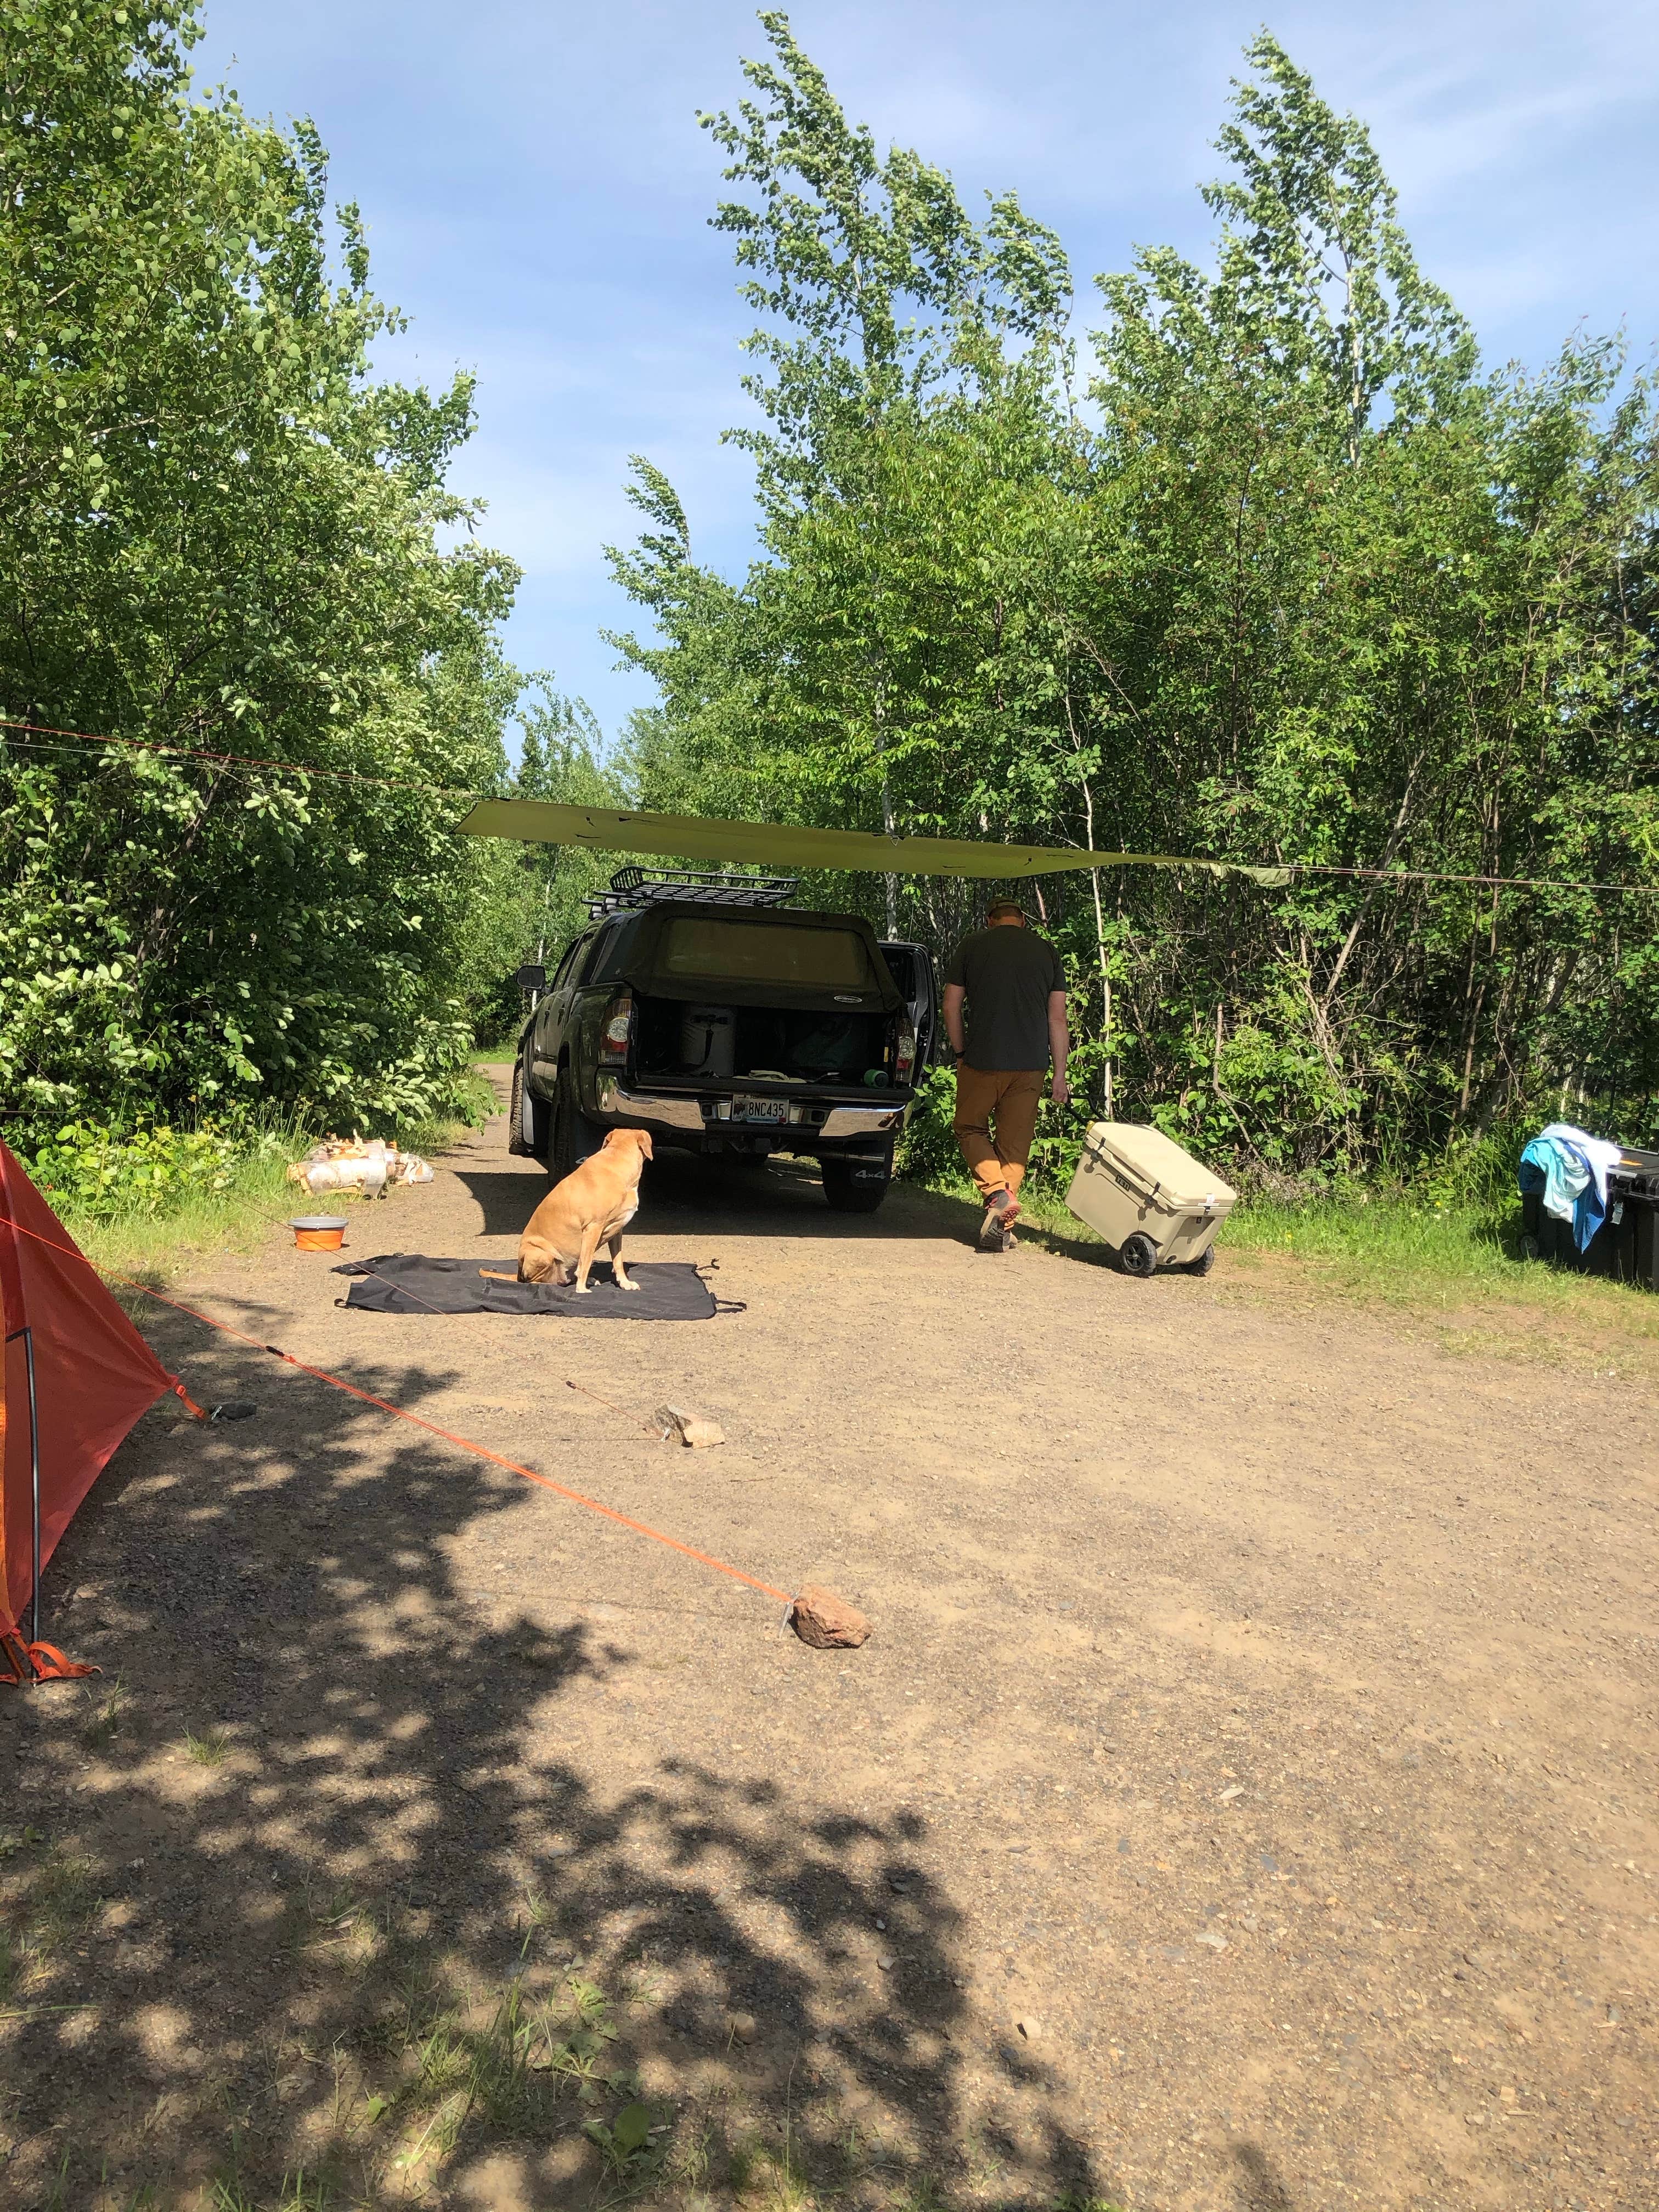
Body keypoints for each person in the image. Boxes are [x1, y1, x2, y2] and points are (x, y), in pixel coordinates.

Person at [942, 898, 1070, 1249]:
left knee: (969, 1126)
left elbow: (951, 1005)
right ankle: (1003, 1228)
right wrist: (1060, 1074)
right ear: (1023, 922)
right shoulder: (1047, 952)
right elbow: (1057, 1019)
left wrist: (960, 1051)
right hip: (1032, 1065)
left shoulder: (972, 945)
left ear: (990, 922)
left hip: (982, 1059)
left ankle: (998, 1195)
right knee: (1014, 1147)